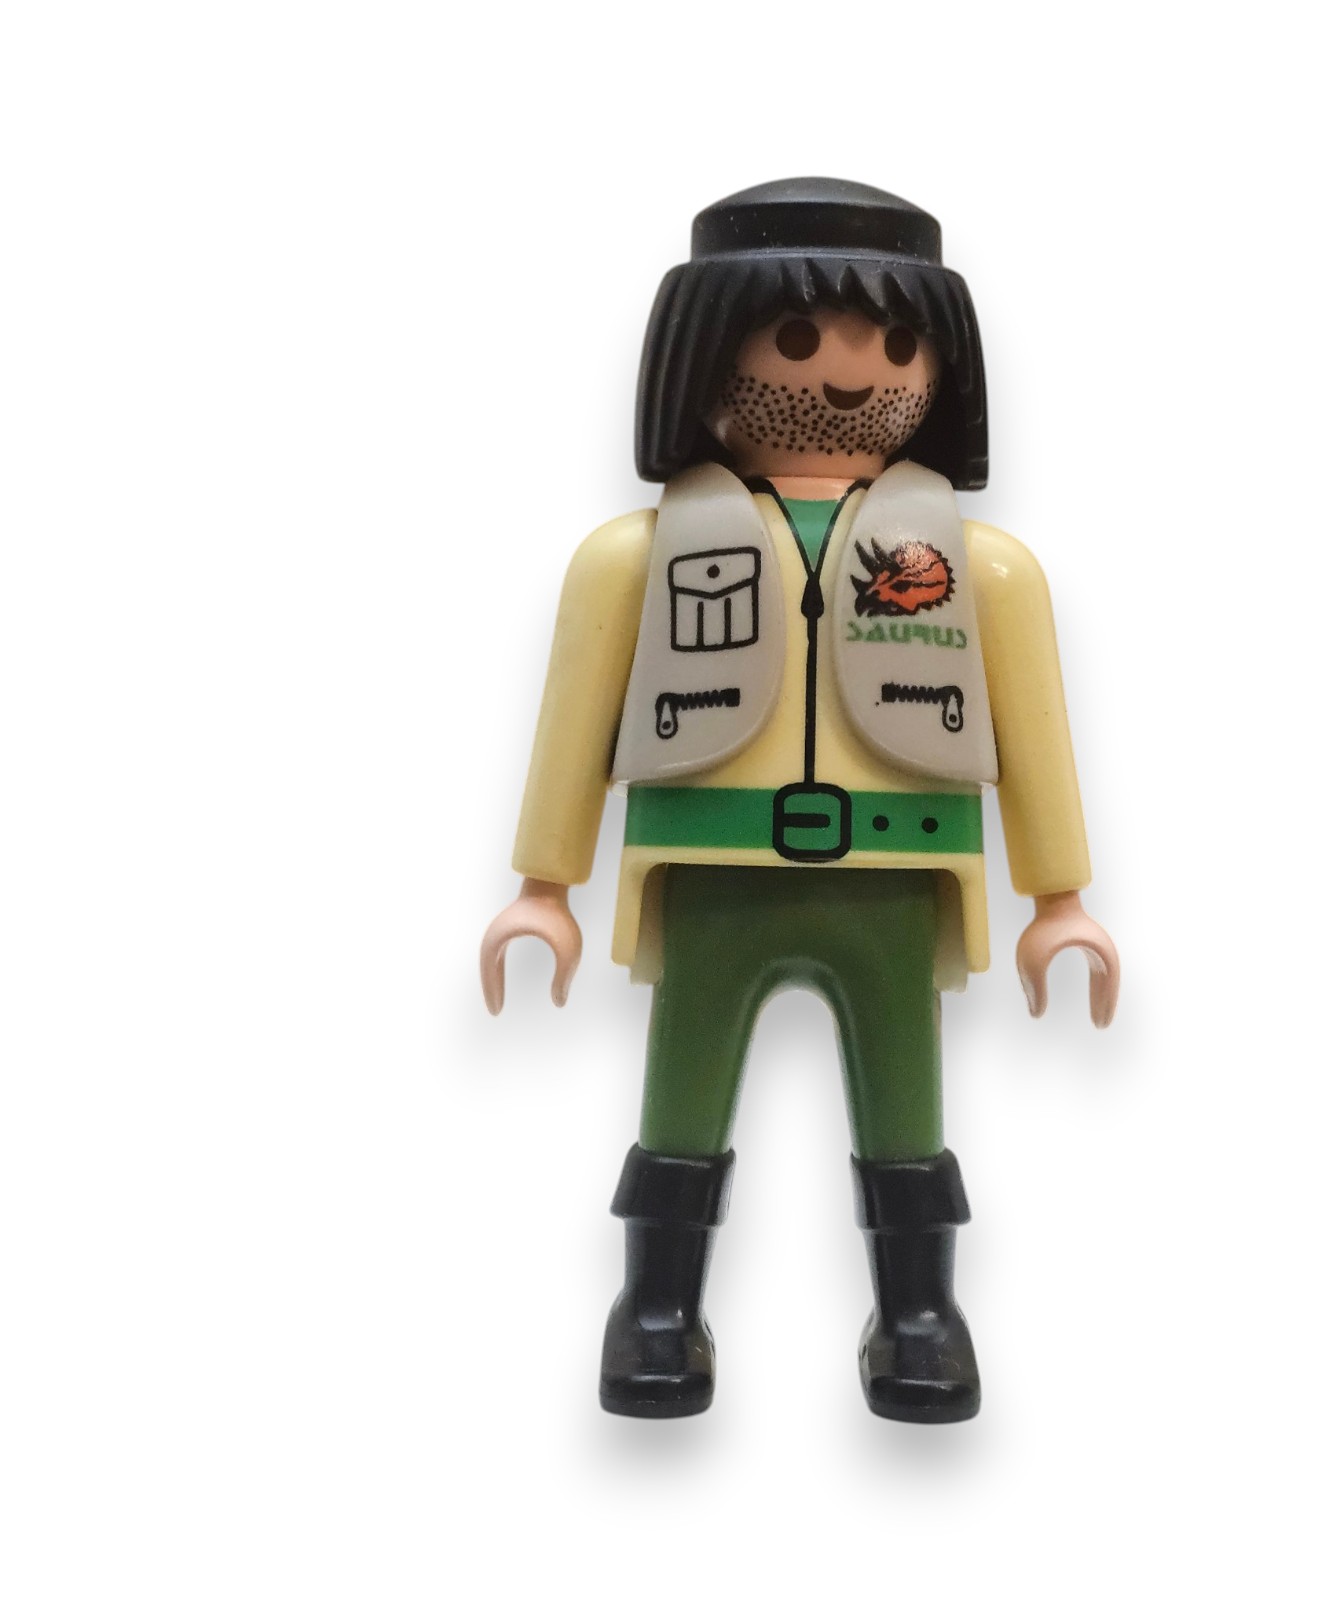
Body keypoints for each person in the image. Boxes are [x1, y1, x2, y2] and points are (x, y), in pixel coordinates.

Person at [481, 177, 1119, 1424]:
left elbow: (1037, 737)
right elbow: (574, 722)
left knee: (905, 1112)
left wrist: (1061, 899)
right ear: (705, 354)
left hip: (893, 877)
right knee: (680, 1098)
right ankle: (656, 1306)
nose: (845, 374)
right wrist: (542, 884)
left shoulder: (980, 569)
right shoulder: (637, 558)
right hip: (709, 872)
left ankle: (918, 1313)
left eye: (894, 343)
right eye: (792, 337)